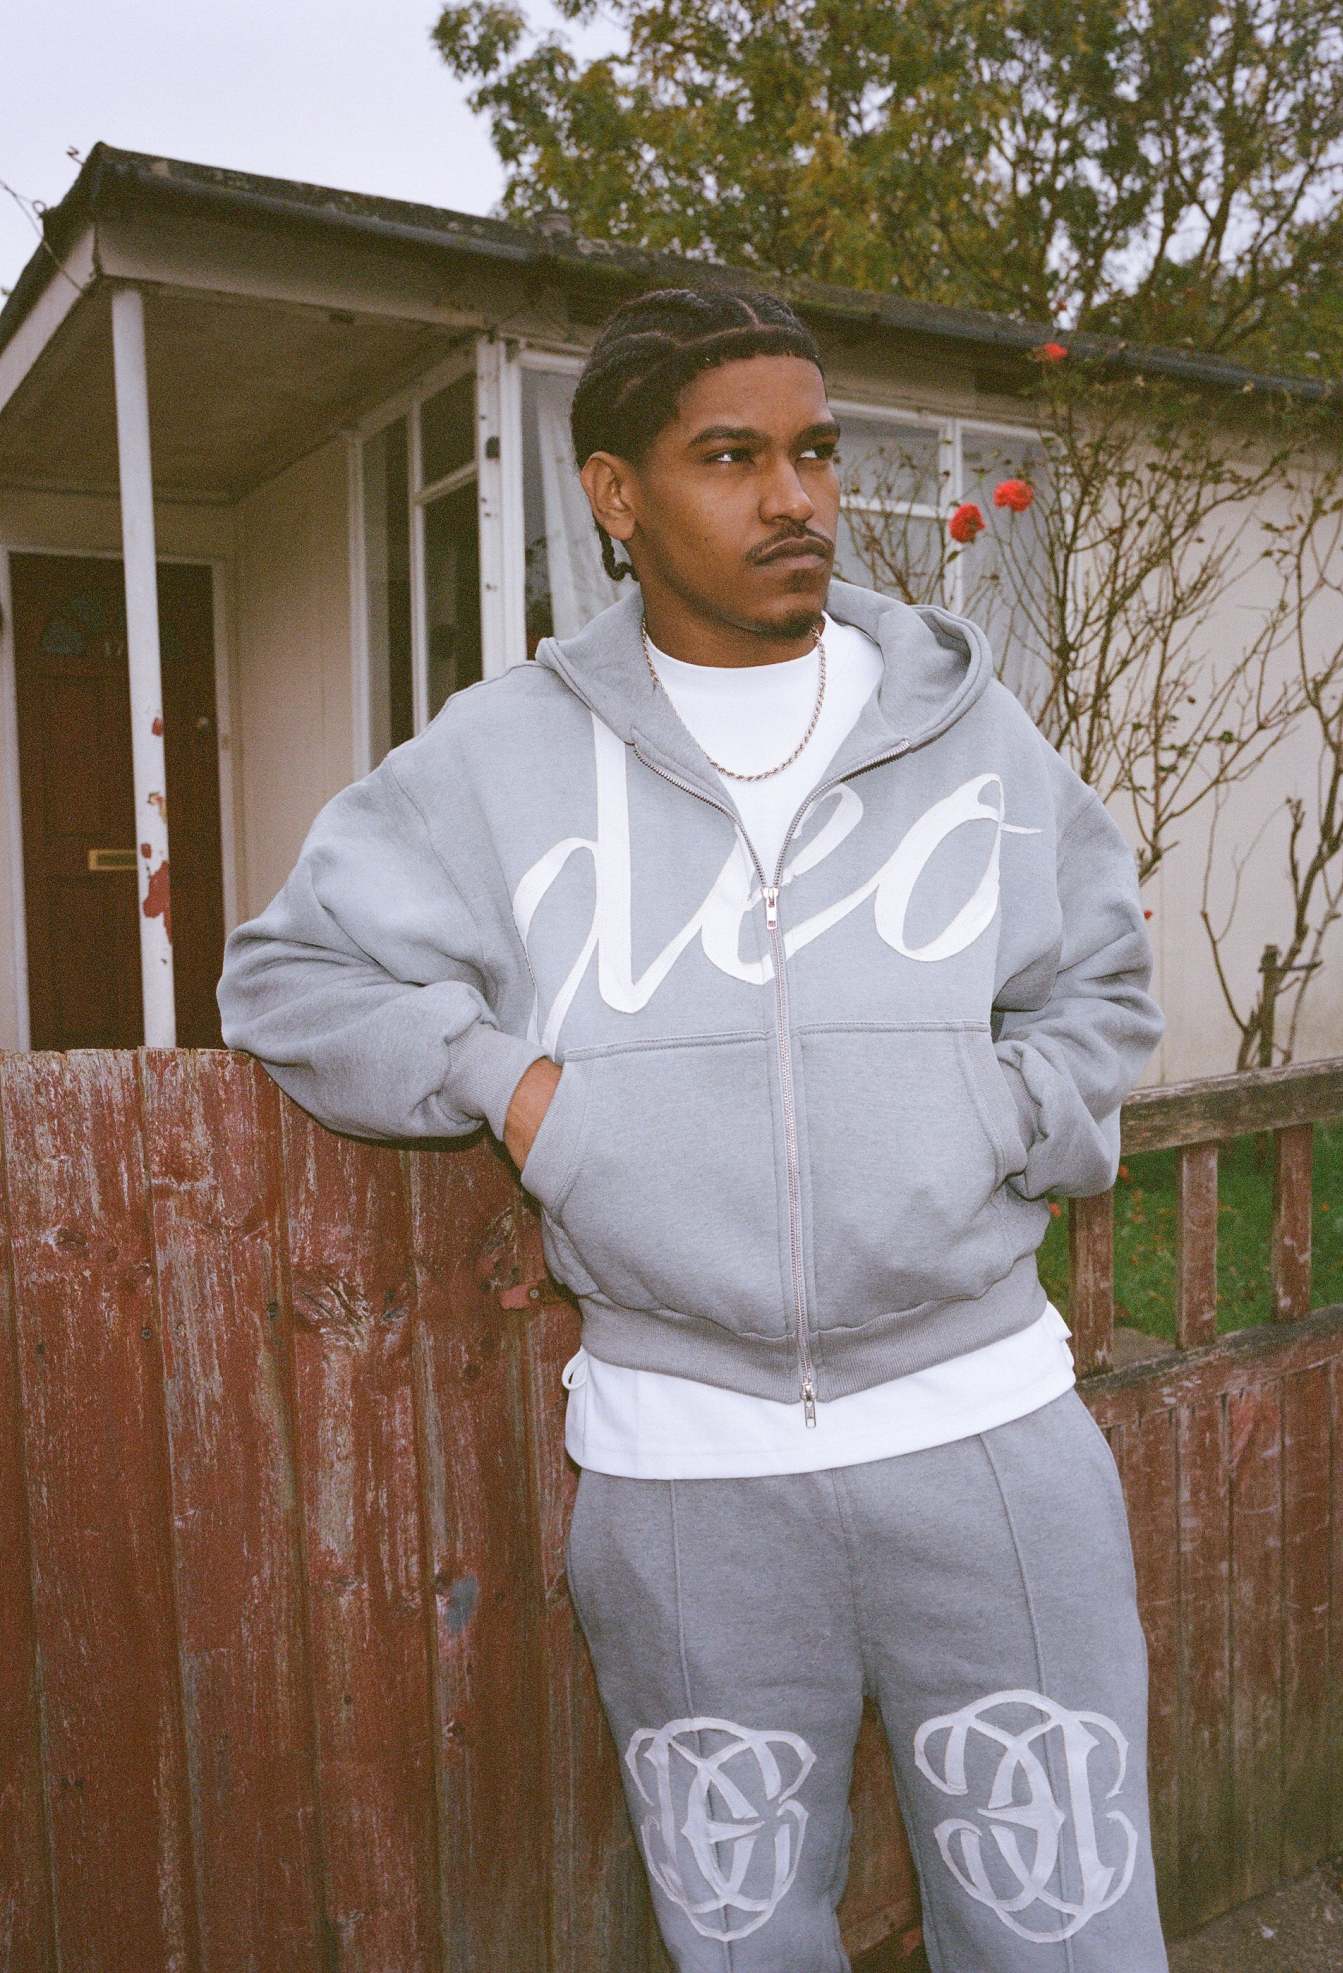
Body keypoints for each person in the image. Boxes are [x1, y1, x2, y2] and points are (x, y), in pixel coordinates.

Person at [216, 284, 1171, 1972]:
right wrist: (523, 1095)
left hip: (988, 1438)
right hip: (683, 1479)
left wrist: (996, 1112)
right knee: (740, 1945)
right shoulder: (500, 758)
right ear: (615, 494)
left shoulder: (964, 727)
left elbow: (1099, 980)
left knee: (1066, 1931)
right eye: (731, 457)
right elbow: (288, 975)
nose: (795, 497)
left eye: (815, 451)